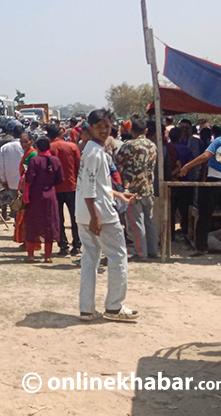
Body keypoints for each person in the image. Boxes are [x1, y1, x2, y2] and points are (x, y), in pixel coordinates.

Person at [76, 109, 138, 323]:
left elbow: (98, 185)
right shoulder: (94, 152)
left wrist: (119, 193)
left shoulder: (93, 150)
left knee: (90, 259)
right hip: (99, 214)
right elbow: (90, 187)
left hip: (87, 213)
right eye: (98, 126)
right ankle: (114, 307)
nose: (103, 130)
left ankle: (86, 308)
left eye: (107, 125)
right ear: (90, 128)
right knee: (118, 256)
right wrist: (96, 216)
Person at [179, 125, 221, 256]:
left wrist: (187, 166)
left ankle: (201, 247)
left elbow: (205, 156)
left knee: (204, 216)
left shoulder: (219, 140)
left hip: (212, 182)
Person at [115, 118, 159, 260]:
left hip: (133, 189)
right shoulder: (152, 145)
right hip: (148, 188)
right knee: (149, 221)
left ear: (131, 130)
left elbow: (117, 161)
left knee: (135, 223)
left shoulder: (129, 145)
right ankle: (153, 250)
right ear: (145, 131)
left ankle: (141, 253)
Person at [23, 137, 64, 263]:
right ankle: (48, 256)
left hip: (35, 196)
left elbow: (29, 179)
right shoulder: (55, 161)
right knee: (49, 224)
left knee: (32, 223)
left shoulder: (35, 160)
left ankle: (30, 255)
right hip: (50, 196)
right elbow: (60, 179)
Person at [48, 123, 82, 256]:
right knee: (75, 217)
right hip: (72, 186)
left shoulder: (49, 148)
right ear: (60, 133)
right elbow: (79, 167)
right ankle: (77, 245)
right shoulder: (72, 146)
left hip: (55, 188)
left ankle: (63, 246)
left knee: (58, 218)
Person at [165, 127, 193, 235]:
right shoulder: (186, 149)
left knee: (170, 209)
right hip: (184, 182)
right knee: (184, 209)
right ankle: (185, 231)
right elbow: (191, 164)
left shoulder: (166, 148)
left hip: (168, 182)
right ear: (181, 136)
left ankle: (170, 233)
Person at [0, 122, 25, 212]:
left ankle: (16, 222)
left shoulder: (4, 148)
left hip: (11, 182)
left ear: (12, 134)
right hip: (24, 182)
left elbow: (1, 166)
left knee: (15, 204)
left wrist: (3, 180)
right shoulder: (25, 147)